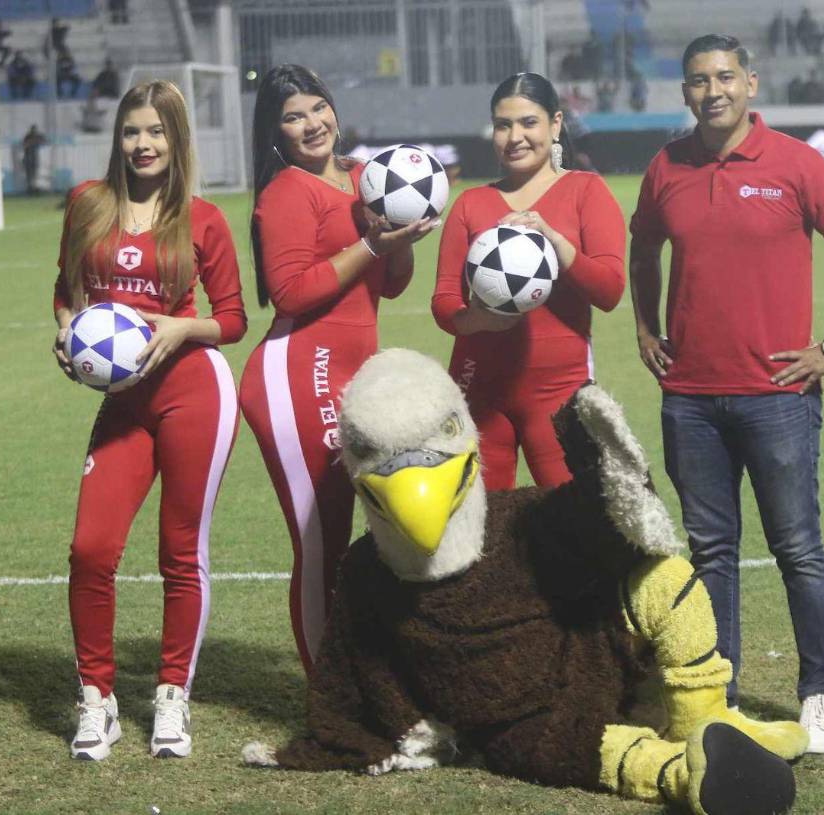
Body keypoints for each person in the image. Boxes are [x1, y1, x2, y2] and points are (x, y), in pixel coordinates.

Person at [628, 34, 824, 756]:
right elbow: (642, 249)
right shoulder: (666, 167)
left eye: (726, 77)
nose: (714, 90)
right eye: (699, 80)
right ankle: (723, 695)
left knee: (799, 548)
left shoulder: (796, 163)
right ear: (684, 93)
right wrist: (646, 328)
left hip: (778, 395)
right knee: (712, 552)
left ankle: (820, 693)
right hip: (690, 399)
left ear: (751, 84)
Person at [50, 80, 247, 761]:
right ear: (119, 138)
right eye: (133, 131)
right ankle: (97, 699)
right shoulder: (88, 204)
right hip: (123, 403)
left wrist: (179, 327)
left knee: (179, 551)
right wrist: (69, 336)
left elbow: (233, 319)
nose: (143, 144)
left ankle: (171, 694)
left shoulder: (203, 219)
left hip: (195, 392)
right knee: (90, 548)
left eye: (156, 132)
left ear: (176, 140)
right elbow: (65, 291)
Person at [237, 64, 434, 672]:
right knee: (322, 542)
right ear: (275, 132)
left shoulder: (366, 180)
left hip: (356, 376)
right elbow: (292, 293)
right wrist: (372, 244)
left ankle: (375, 669)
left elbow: (391, 286)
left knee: (389, 526)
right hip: (297, 374)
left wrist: (397, 241)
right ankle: (329, 692)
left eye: (317, 108)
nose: (311, 124)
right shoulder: (284, 193)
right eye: (293, 116)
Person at [432, 71, 625, 491]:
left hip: (558, 394)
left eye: (528, 123)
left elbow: (610, 291)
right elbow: (444, 301)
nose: (514, 136)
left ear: (556, 124)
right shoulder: (471, 203)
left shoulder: (586, 191)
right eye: (503, 125)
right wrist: (475, 321)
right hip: (477, 389)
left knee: (571, 530)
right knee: (478, 535)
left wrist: (555, 242)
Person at [21, 123, 46, 194]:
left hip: (33, 158)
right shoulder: (28, 137)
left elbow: (44, 140)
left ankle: (34, 188)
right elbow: (24, 145)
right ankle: (30, 189)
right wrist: (31, 142)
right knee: (29, 175)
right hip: (28, 159)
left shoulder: (37, 137)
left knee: (34, 174)